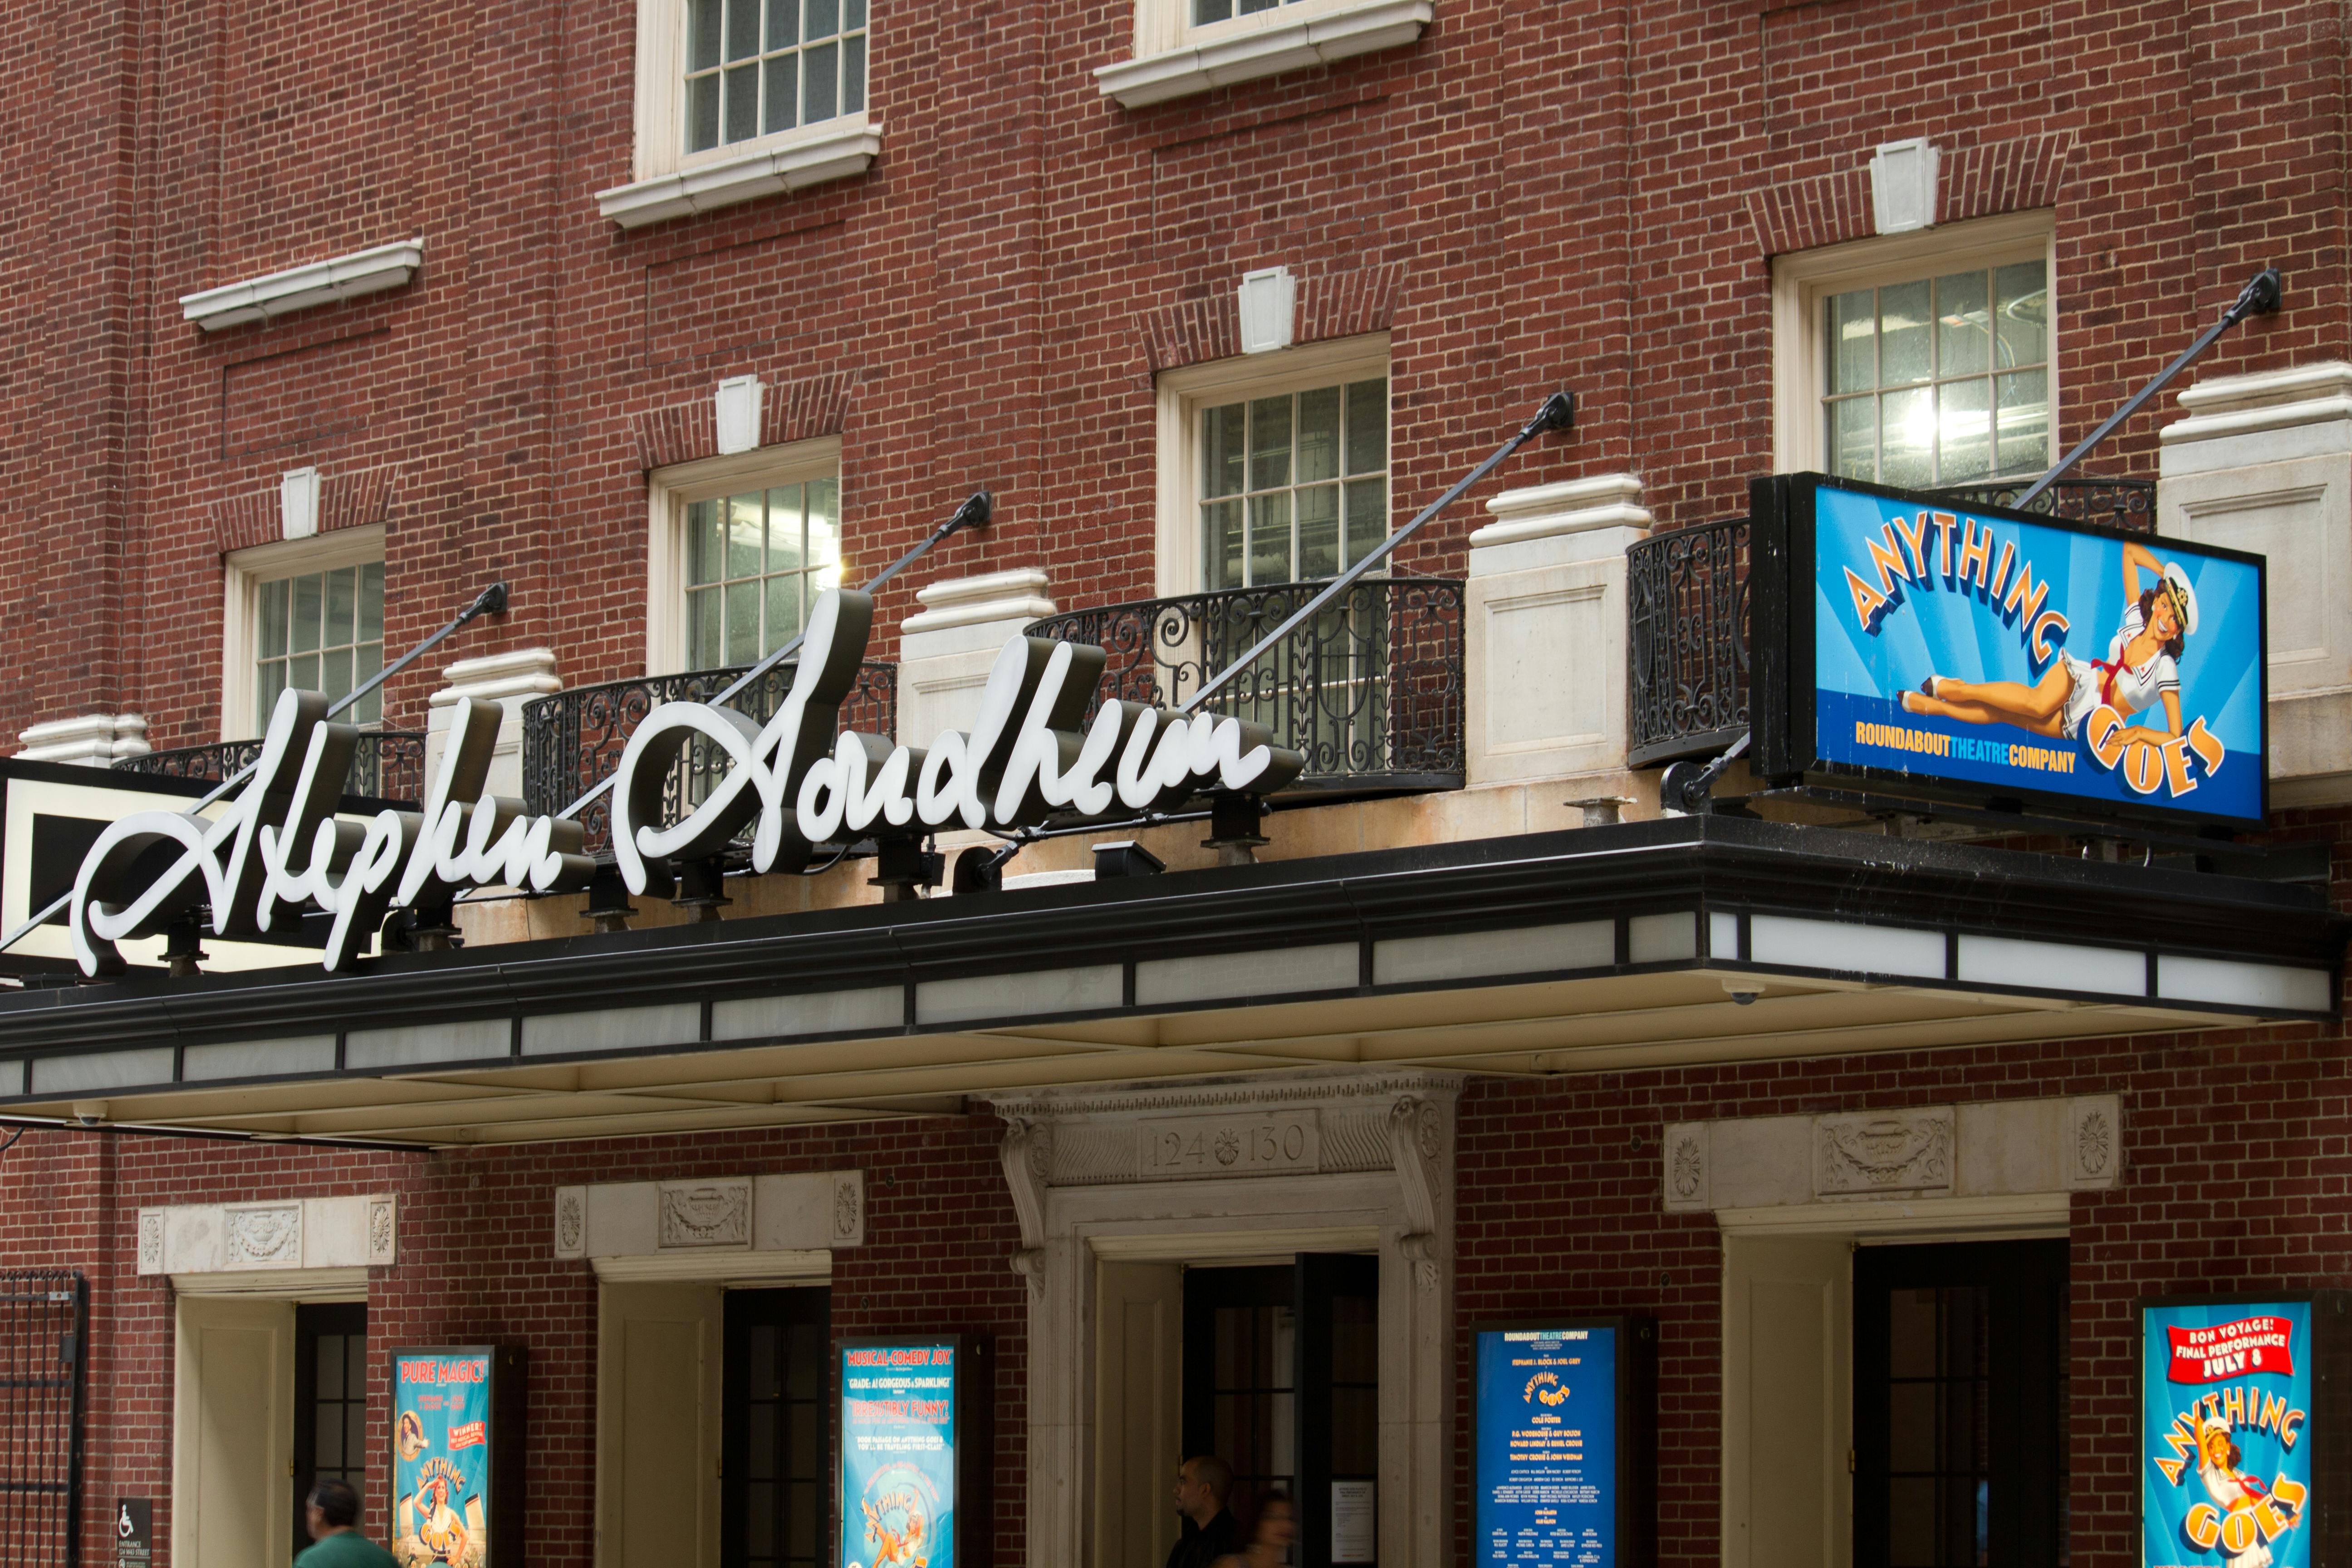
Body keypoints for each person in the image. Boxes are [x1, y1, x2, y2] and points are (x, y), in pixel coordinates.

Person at [1901, 538, 2198, 742]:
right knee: (2037, 703)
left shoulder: (2165, 667)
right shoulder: (2136, 623)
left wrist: (2139, 734)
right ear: (2157, 600)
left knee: (2005, 715)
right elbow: (2130, 550)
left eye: (2175, 618)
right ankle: (1957, 687)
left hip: (2091, 719)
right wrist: (2166, 574)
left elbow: (2175, 735)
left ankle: (1930, 706)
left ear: (2177, 631)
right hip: (2080, 679)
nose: (2165, 617)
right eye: (2165, 604)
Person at [297, 1478, 397, 1568]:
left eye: (310, 1509)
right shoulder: (387, 1559)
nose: (307, 1515)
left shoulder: (311, 1560)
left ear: (319, 1514)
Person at [1165, 1455, 1241, 1568]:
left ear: (1205, 1490)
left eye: (1183, 1482)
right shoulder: (1185, 1544)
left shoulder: (1237, 1544)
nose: (1176, 1490)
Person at [1213, 1489, 1297, 1568]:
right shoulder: (1231, 1565)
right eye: (1273, 1517)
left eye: (1289, 1518)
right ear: (1257, 1523)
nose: (1284, 1524)